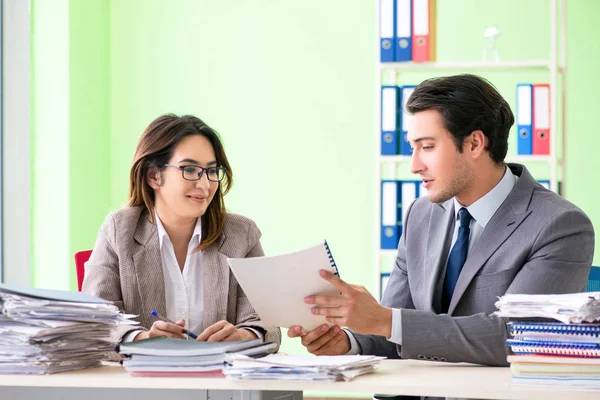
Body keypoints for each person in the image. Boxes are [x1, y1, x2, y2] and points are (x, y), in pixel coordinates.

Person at [288, 74, 594, 367]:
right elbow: (396, 333)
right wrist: (348, 342)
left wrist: (384, 320)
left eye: (427, 146)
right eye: (412, 147)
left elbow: (518, 337)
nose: (414, 165)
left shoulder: (560, 225)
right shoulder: (420, 216)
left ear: (475, 144)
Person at [83, 114, 281, 347]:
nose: (205, 185)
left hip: (220, 380)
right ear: (154, 176)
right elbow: (96, 321)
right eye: (190, 169)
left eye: (212, 171)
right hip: (143, 379)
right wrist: (142, 338)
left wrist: (244, 336)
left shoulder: (241, 234)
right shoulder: (119, 230)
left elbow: (267, 323)